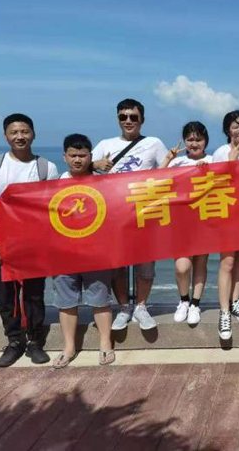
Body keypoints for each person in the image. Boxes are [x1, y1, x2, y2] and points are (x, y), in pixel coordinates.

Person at [0, 113, 59, 367]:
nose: (20, 136)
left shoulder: (46, 168)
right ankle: (14, 341)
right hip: (1, 240)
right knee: (6, 295)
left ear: (33, 134)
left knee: (34, 294)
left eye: (25, 131)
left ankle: (35, 341)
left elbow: (53, 208)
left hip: (34, 242)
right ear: (5, 135)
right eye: (14, 132)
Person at [91, 98, 168, 331]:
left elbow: (171, 172)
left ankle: (141, 307)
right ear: (117, 119)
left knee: (146, 266)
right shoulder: (105, 144)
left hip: (145, 213)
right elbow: (81, 167)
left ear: (142, 119)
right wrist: (95, 164)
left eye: (133, 117)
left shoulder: (154, 143)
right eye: (123, 117)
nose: (128, 121)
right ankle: (124, 307)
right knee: (118, 266)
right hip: (114, 216)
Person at [51, 134, 114, 368]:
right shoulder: (55, 183)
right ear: (64, 157)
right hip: (63, 253)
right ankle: (69, 347)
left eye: (82, 155)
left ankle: (106, 343)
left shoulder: (103, 182)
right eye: (73, 155)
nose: (77, 159)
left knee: (100, 299)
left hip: (96, 253)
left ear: (90, 156)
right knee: (66, 301)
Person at [160, 122, 211, 327]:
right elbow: (154, 180)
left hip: (205, 218)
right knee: (182, 266)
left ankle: (195, 304)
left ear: (205, 141)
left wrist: (208, 171)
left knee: (200, 263)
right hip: (180, 220)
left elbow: (228, 179)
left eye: (198, 139)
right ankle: (183, 300)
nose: (194, 143)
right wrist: (167, 158)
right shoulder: (177, 163)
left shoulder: (213, 160)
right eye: (190, 139)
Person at [213, 110, 239, 340]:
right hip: (226, 214)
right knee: (227, 261)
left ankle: (236, 301)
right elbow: (214, 183)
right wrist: (231, 161)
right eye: (235, 126)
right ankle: (224, 312)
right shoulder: (220, 152)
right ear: (227, 130)